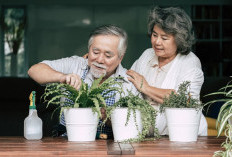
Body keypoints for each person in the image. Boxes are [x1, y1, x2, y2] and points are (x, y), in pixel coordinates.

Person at [28, 25, 138, 139]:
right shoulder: (75, 65)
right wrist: (62, 77)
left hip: (106, 146)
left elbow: (133, 127)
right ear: (89, 49)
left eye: (108, 55)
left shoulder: (129, 82)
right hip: (65, 142)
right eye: (95, 52)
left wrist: (110, 119)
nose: (100, 60)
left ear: (120, 57)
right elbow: (34, 70)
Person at [126, 6, 207, 136]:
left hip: (182, 137)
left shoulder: (190, 62)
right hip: (149, 138)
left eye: (164, 38)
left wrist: (145, 87)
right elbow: (129, 80)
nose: (157, 42)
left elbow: (183, 100)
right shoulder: (147, 55)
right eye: (154, 35)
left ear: (179, 39)